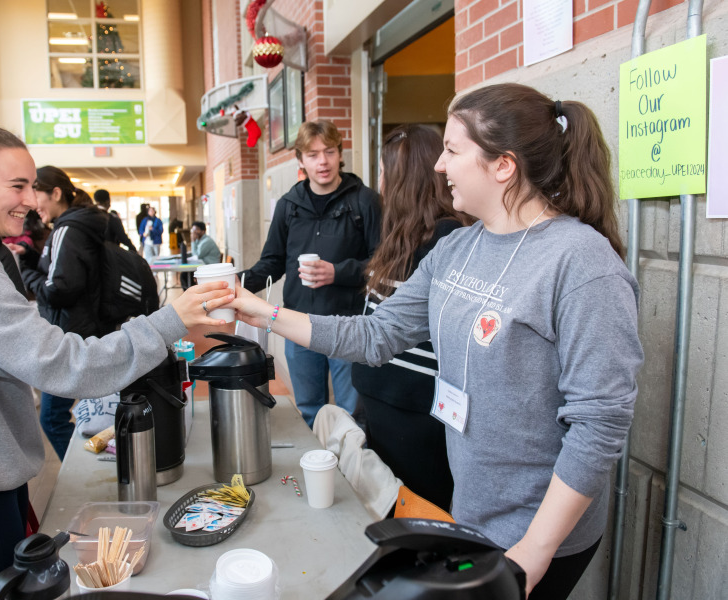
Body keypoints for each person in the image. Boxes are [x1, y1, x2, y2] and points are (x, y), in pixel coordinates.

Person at [229, 83, 643, 600]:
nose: (440, 166)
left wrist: (533, 551)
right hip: (472, 509)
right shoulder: (460, 247)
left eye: (452, 150)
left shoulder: (581, 263)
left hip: (541, 537)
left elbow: (599, 422)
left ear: (503, 166)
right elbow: (377, 334)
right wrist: (263, 312)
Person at [0, 124, 232, 600]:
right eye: (16, 186)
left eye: (32, 186)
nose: (31, 200)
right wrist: (168, 321)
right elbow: (66, 364)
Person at [352, 124, 473, 510]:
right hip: (383, 404)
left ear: (405, 179)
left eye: (385, 171)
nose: (380, 182)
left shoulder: (448, 239)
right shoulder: (401, 235)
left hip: (417, 417)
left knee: (422, 519)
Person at [239, 119, 381, 428]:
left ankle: (351, 474)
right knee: (308, 411)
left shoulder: (364, 201)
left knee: (352, 415)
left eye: (329, 152)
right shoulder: (289, 206)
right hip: (297, 324)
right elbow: (272, 263)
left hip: (349, 325)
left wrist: (337, 272)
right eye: (313, 154)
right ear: (300, 160)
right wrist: (233, 282)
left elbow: (383, 263)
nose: (323, 161)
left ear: (340, 154)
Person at [17, 166, 116, 460]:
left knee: (51, 418)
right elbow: (66, 269)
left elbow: (59, 288)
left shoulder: (67, 229)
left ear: (56, 193)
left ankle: (78, 477)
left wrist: (24, 272)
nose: (33, 204)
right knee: (93, 413)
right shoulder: (83, 224)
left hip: (71, 335)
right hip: (89, 329)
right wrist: (35, 259)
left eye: (36, 194)